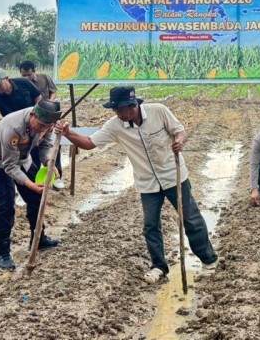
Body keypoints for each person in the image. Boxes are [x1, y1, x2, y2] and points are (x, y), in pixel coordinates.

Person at [57, 86, 218, 284]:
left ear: (133, 106)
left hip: (173, 175)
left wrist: (179, 141)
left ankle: (209, 260)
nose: (117, 114)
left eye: (120, 110)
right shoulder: (115, 125)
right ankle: (159, 266)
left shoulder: (158, 111)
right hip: (147, 183)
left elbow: (179, 131)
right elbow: (90, 143)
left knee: (191, 219)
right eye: (114, 110)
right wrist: (68, 133)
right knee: (150, 226)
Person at [0, 99, 63, 270]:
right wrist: (29, 184)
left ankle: (38, 239)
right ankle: (3, 253)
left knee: (37, 198)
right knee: (6, 205)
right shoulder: (13, 127)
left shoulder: (46, 123)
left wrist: (48, 161)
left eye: (46, 127)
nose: (42, 130)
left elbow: (46, 145)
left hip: (23, 160)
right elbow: (9, 165)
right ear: (32, 115)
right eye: (40, 126)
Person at [20, 60, 64, 190]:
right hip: (34, 119)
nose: (26, 78)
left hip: (48, 117)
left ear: (34, 71)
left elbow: (53, 91)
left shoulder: (44, 78)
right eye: (23, 75)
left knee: (51, 149)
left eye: (28, 74)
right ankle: (36, 180)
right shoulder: (23, 84)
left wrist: (49, 106)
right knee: (33, 150)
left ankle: (56, 178)